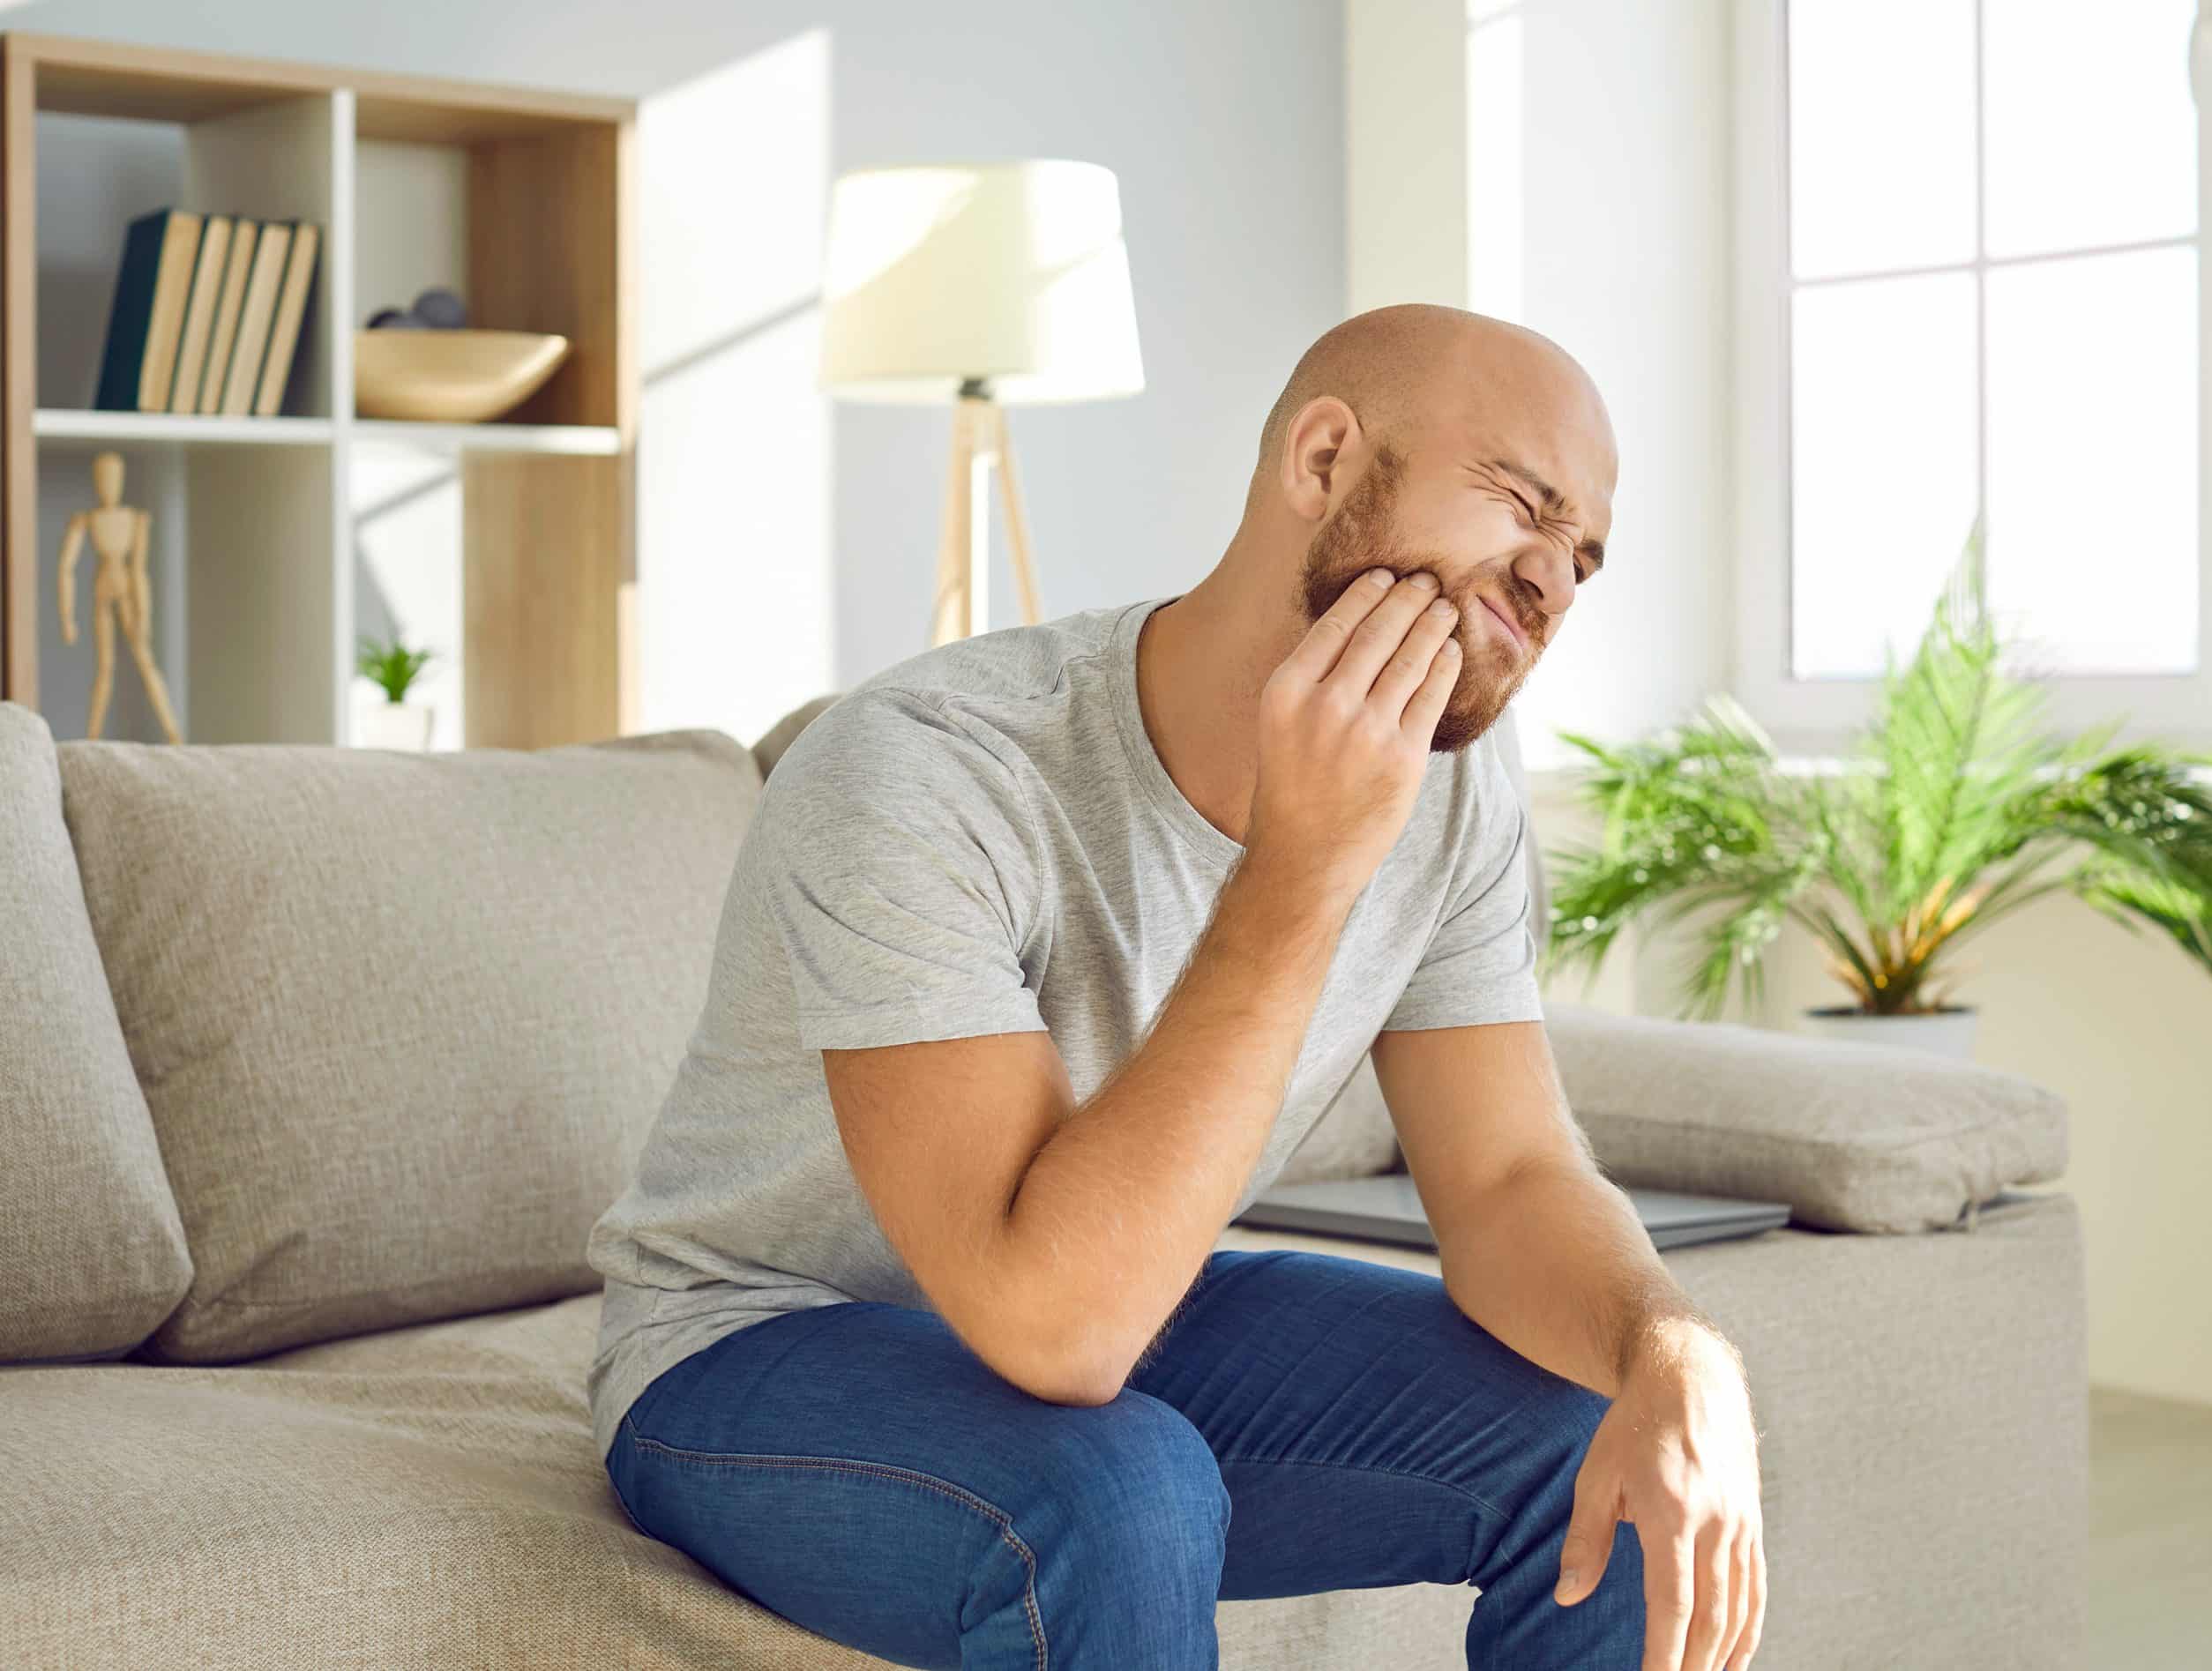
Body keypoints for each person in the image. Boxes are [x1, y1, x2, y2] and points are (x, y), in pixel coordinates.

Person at [585, 302, 1765, 1671]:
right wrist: (1304, 866)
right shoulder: (924, 768)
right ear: (1323, 461)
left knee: (1600, 1434)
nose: (1554, 578)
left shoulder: (1453, 795)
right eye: (1519, 500)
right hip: (752, 1345)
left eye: (1585, 556)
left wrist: (1669, 1347)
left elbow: (1506, 1180)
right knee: (1119, 1493)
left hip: (1126, 1283)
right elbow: (1057, 1329)